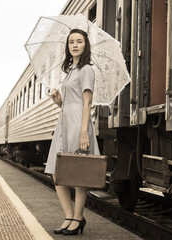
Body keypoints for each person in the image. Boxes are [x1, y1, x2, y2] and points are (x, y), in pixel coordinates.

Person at [44, 28, 100, 236]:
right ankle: (69, 215)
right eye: (71, 42)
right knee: (57, 172)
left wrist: (83, 133)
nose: (75, 45)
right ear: (68, 47)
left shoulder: (86, 70)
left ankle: (77, 218)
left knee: (79, 174)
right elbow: (68, 103)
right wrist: (58, 101)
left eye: (79, 41)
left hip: (79, 124)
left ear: (85, 45)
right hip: (64, 123)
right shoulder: (70, 73)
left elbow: (87, 104)